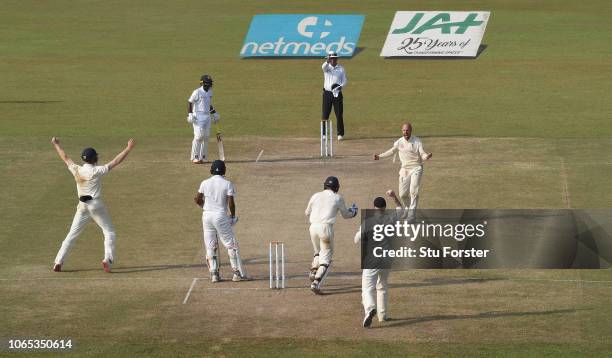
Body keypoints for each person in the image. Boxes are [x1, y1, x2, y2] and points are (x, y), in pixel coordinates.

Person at [51, 137, 136, 273]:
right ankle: (107, 259)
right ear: (94, 159)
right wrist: (128, 148)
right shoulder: (96, 171)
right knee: (109, 232)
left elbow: (65, 157)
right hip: (96, 205)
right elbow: (115, 161)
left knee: (72, 234)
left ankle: (58, 262)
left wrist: (56, 144)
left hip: (82, 206)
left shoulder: (76, 169)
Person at [354, 190, 404, 328]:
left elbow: (356, 239)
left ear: (374, 207)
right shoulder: (391, 218)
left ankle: (370, 308)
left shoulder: (368, 221)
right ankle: (383, 315)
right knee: (382, 287)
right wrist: (394, 197)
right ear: (384, 208)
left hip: (372, 260)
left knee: (367, 289)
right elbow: (401, 209)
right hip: (387, 259)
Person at [194, 160, 247, 283]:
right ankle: (237, 273)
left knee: (210, 245)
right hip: (220, 216)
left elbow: (197, 199)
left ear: (211, 170)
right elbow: (230, 202)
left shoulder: (205, 183)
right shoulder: (227, 184)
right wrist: (233, 216)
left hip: (206, 216)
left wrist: (205, 207)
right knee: (231, 244)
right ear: (224, 170)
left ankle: (214, 274)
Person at [305, 176, 358, 294]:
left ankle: (314, 271)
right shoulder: (337, 198)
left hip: (313, 227)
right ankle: (316, 283)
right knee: (326, 260)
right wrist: (353, 211)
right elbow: (346, 214)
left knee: (317, 252)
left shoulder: (315, 195)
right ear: (337, 187)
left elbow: (307, 212)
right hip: (325, 228)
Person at [374, 123, 432, 217]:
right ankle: (407, 208)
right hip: (404, 169)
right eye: (404, 130)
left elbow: (422, 154)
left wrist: (426, 157)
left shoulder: (417, 141)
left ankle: (411, 215)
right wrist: (379, 156)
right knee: (402, 195)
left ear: (411, 131)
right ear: (402, 131)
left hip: (416, 168)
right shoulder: (399, 142)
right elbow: (391, 151)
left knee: (413, 191)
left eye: (407, 130)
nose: (405, 132)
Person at [187, 74, 220, 164]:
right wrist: (190, 114)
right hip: (198, 116)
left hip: (207, 116)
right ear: (203, 83)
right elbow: (190, 102)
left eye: (210, 83)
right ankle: (194, 156)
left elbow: (208, 104)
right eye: (208, 83)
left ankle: (203, 156)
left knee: (206, 137)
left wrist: (214, 113)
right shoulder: (197, 92)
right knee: (198, 136)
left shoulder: (210, 92)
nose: (210, 85)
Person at [321, 51, 347, 141]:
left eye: (334, 58)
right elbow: (323, 67)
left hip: (337, 93)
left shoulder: (341, 69)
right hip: (327, 94)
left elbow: (344, 81)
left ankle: (340, 134)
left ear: (336, 59)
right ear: (329, 59)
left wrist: (340, 87)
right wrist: (327, 61)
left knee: (339, 114)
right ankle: (324, 134)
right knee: (325, 114)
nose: (333, 60)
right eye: (331, 58)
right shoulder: (327, 68)